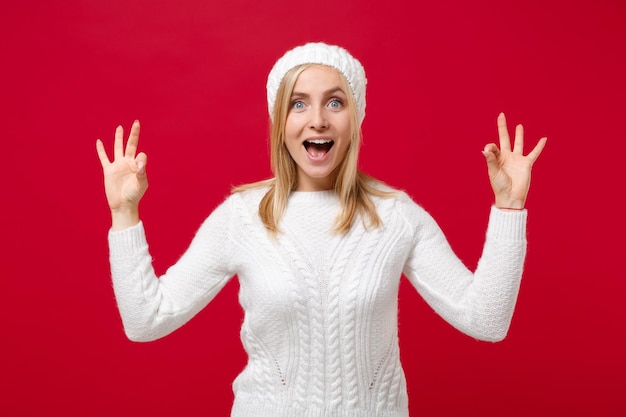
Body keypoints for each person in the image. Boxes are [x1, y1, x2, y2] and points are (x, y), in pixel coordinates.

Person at [96, 42, 547, 417]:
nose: (318, 120)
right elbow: (146, 321)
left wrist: (509, 206)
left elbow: (486, 320)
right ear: (280, 123)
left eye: (335, 101)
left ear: (356, 117)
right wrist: (124, 214)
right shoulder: (241, 217)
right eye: (298, 103)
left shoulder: (397, 216)